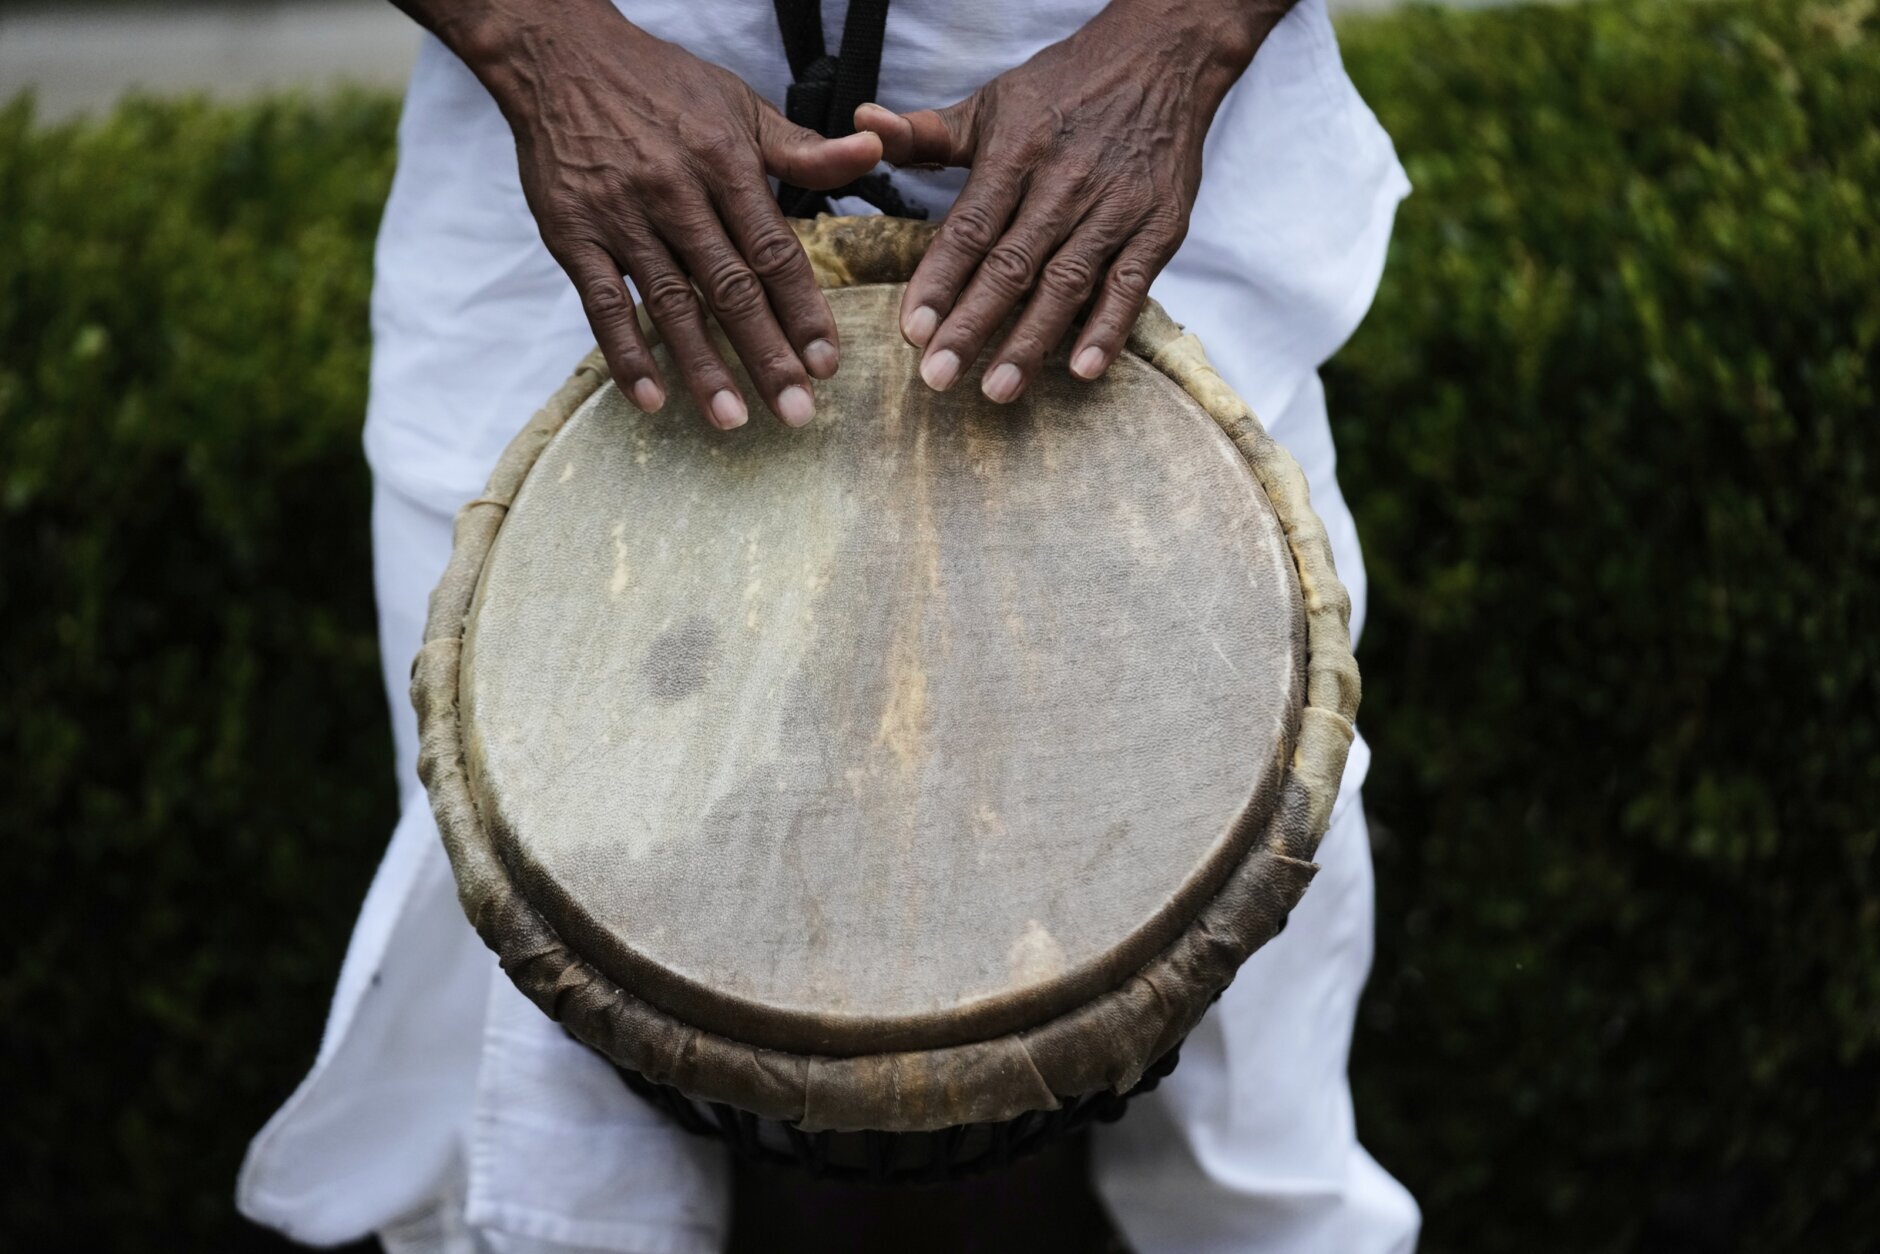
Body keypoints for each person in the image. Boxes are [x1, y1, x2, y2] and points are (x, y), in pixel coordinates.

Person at [237, 1, 1418, 1250]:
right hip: (581, 219)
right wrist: (532, 45)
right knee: (548, 1146)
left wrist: (1183, 43)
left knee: (1250, 1125)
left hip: (1132, 182)